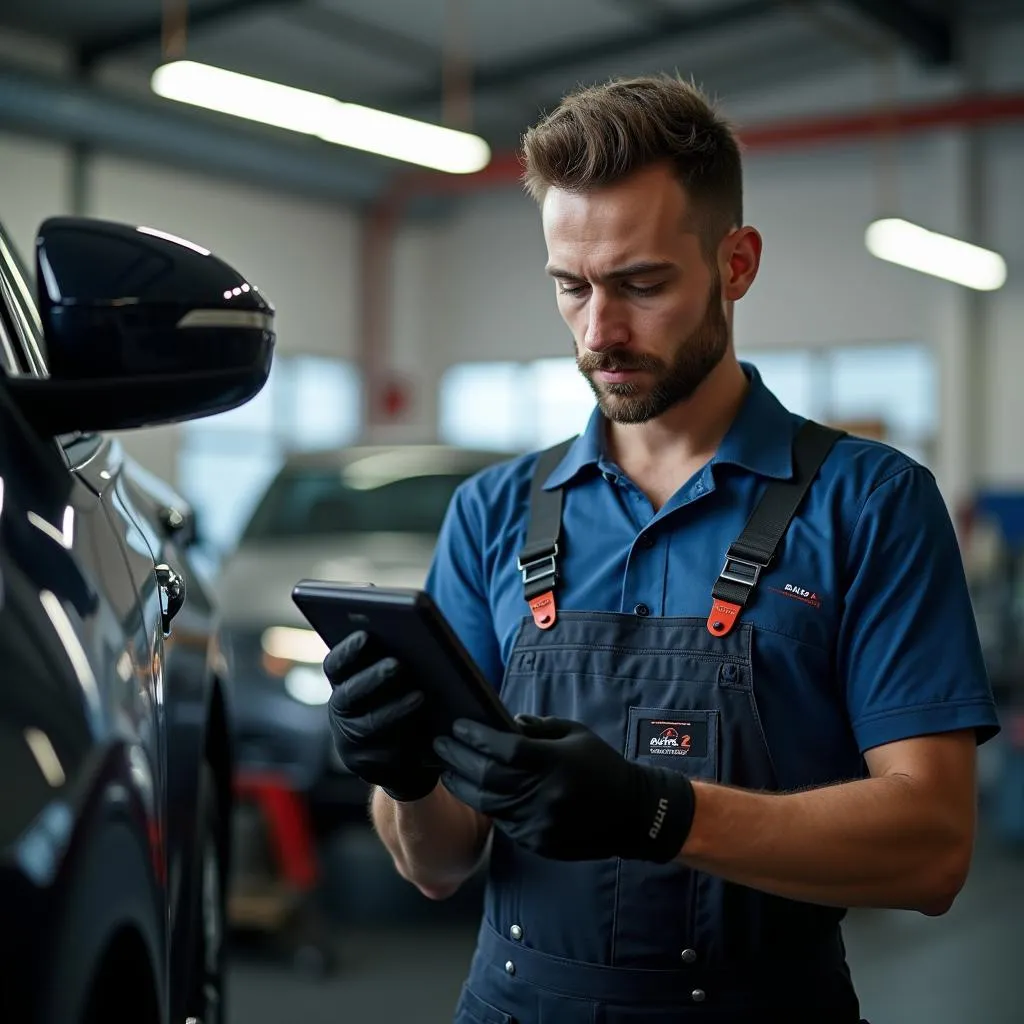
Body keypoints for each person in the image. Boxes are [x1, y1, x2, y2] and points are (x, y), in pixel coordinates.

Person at [325, 74, 1000, 1022]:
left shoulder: (871, 504)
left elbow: (932, 850)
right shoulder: (492, 513)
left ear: (736, 263)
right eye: (572, 287)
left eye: (642, 285)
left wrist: (658, 812)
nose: (600, 332)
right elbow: (438, 864)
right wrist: (400, 774)